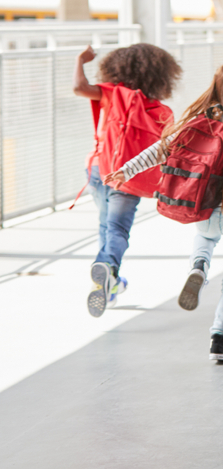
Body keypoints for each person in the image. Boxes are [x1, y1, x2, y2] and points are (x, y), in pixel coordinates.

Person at [105, 63, 223, 363]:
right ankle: (219, 340)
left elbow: (161, 149)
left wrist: (125, 170)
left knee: (205, 237)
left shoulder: (200, 122)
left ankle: (198, 267)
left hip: (205, 206)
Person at [72, 43, 181, 317]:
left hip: (99, 169)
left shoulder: (112, 94)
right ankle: (108, 268)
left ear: (117, 67)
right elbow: (167, 152)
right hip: (129, 177)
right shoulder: (162, 112)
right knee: (117, 229)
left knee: (105, 225)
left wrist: (79, 60)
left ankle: (110, 281)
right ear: (161, 76)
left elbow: (78, 88)